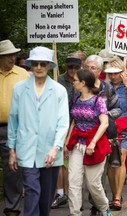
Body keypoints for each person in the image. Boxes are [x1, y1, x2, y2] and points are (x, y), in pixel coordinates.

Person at [7, 46, 70, 216]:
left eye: (43, 63)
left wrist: (55, 147)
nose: (39, 67)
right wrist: (12, 150)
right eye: (35, 63)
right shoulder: (19, 88)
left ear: (49, 66)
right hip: (26, 149)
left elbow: (63, 123)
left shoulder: (59, 90)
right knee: (32, 190)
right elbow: (13, 119)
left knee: (46, 197)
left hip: (50, 150)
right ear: (31, 65)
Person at [65, 69, 112, 216]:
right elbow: (74, 121)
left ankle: (104, 208)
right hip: (77, 145)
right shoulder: (75, 99)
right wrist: (67, 143)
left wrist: (92, 143)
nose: (73, 82)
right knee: (73, 182)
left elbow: (104, 123)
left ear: (83, 83)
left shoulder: (98, 101)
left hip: (95, 145)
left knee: (92, 184)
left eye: (75, 80)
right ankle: (75, 213)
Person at [84, 54, 121, 216]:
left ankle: (97, 205)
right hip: (83, 134)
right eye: (87, 67)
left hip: (103, 134)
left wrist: (104, 115)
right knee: (84, 174)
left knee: (99, 171)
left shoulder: (107, 87)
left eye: (93, 68)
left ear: (99, 70)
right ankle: (79, 205)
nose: (89, 70)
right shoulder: (80, 86)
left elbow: (118, 108)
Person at [105, 56, 127, 211]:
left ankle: (118, 197)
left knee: (120, 159)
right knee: (111, 164)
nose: (113, 76)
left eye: (116, 73)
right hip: (108, 127)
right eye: (110, 73)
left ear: (122, 72)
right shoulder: (104, 87)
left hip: (124, 127)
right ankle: (114, 194)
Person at [0, 39, 29, 216]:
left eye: (14, 54)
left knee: (12, 170)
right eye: (8, 55)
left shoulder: (23, 75)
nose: (12, 58)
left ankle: (12, 209)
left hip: (13, 128)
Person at [51, 56, 82, 209]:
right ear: (65, 67)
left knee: (74, 161)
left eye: (76, 68)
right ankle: (61, 193)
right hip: (61, 122)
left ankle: (74, 194)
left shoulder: (82, 80)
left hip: (78, 124)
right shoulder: (58, 81)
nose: (73, 71)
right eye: (70, 68)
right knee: (60, 158)